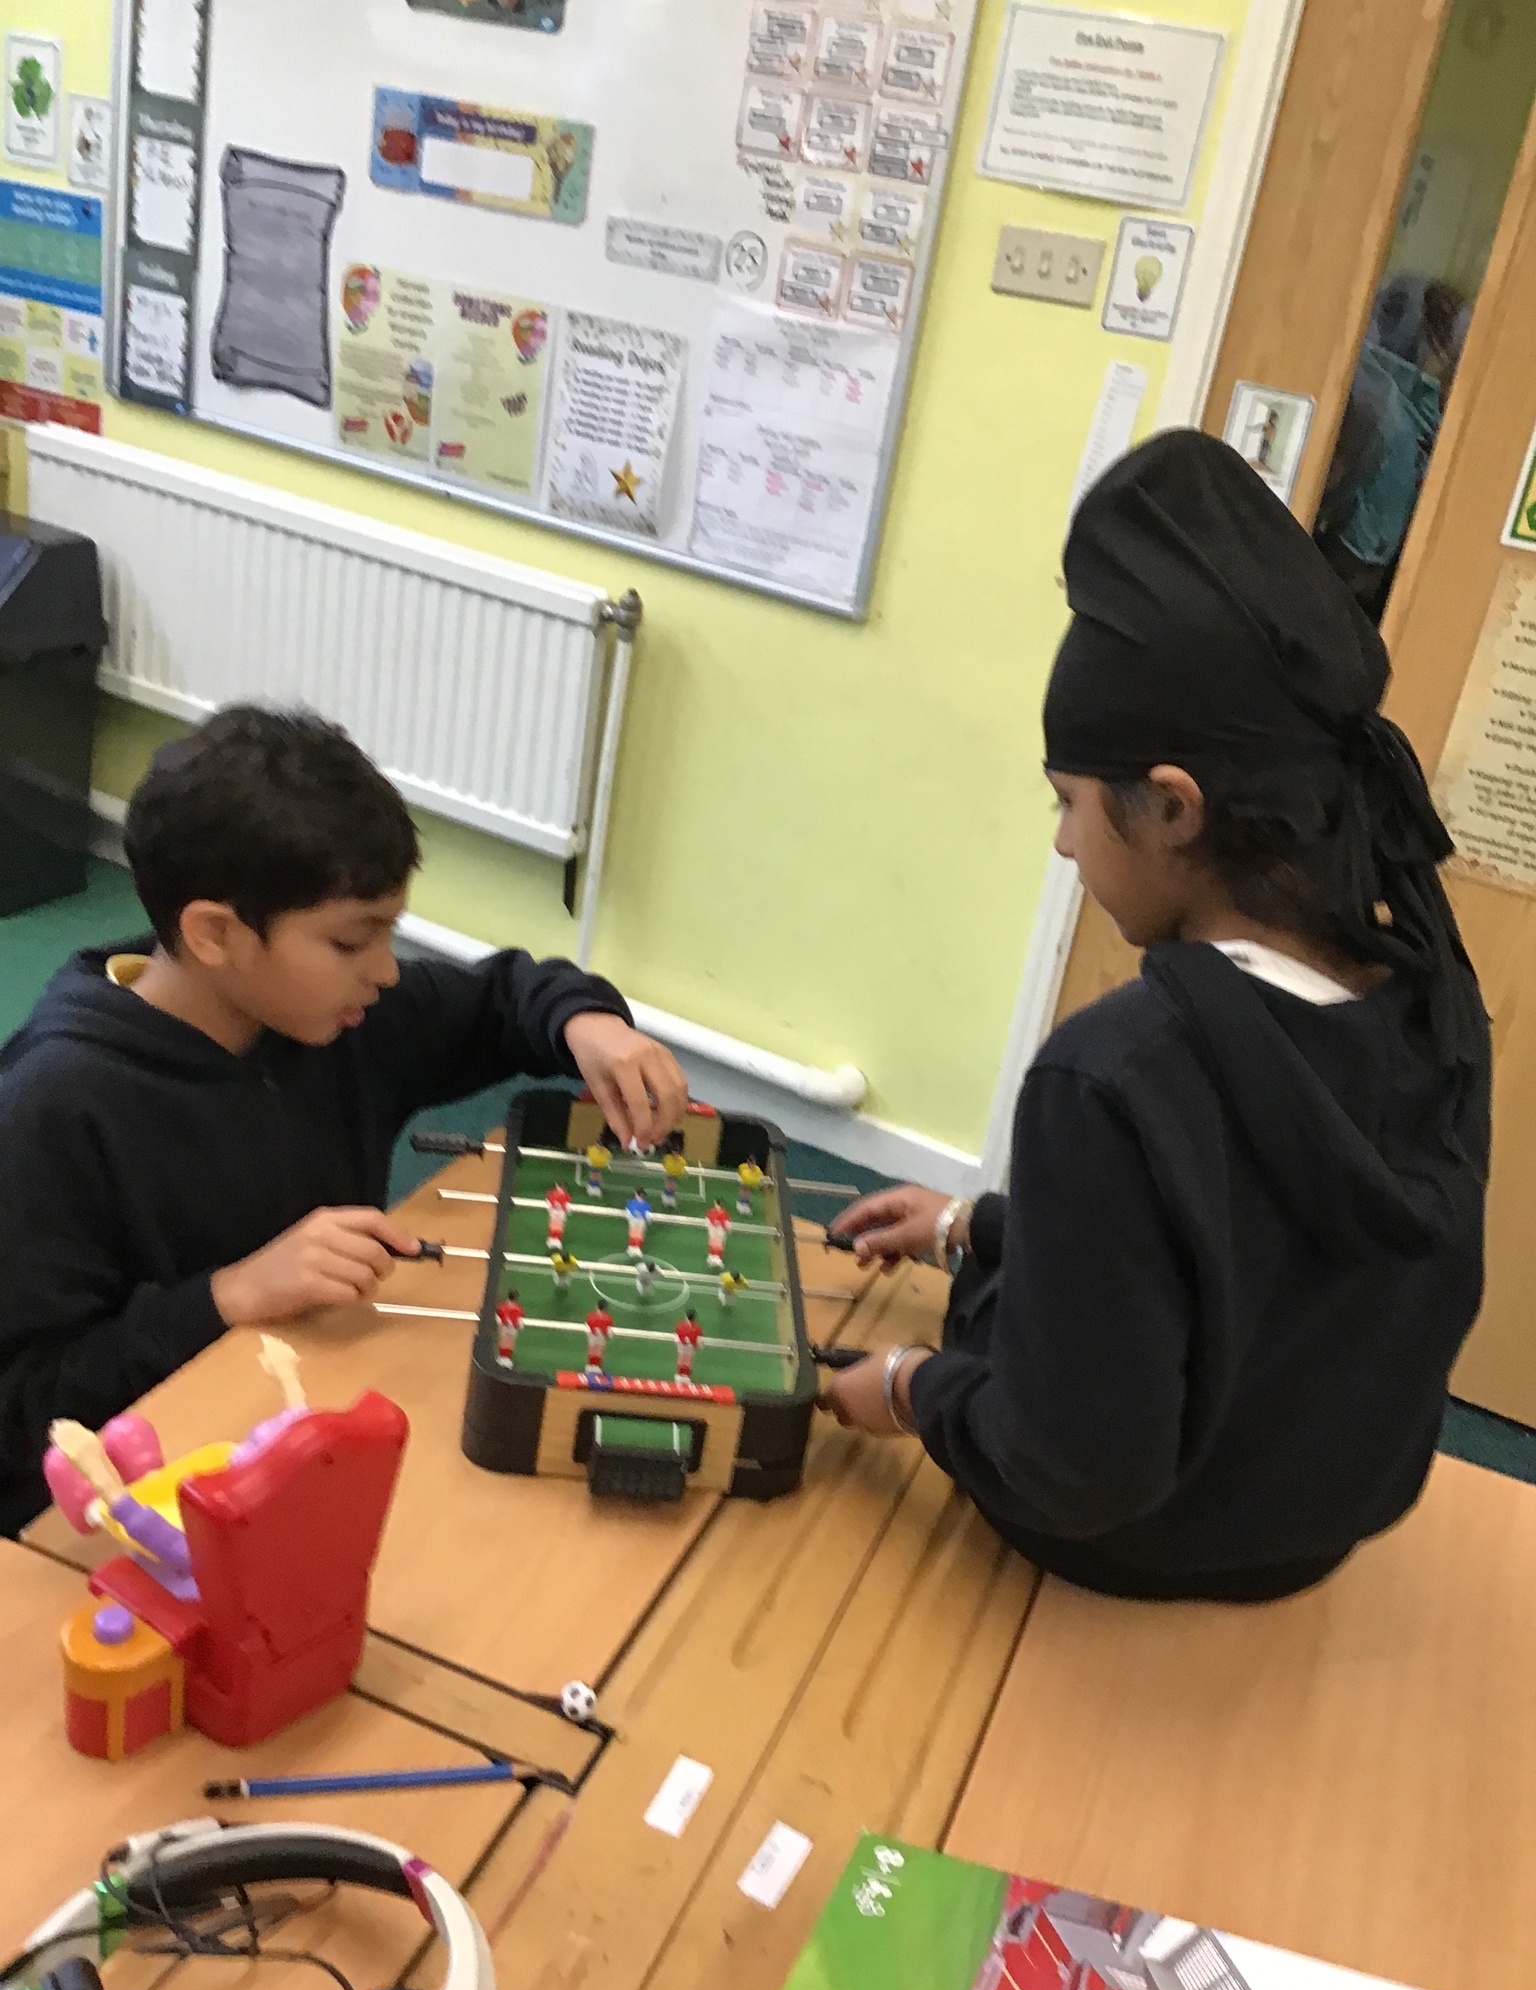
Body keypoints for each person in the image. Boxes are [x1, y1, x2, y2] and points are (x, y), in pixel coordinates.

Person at [823, 429, 1491, 1604]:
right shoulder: (1429, 999)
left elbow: (1073, 1468)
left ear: (1174, 808)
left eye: (1070, 803)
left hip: (1118, 1547)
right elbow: (1252, 1260)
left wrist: (909, 1386)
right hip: (1309, 1539)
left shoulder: (1108, 1077)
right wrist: (983, 1228)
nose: (1063, 842)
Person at [0, 705, 688, 1536]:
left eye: (388, 934)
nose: (386, 971)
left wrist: (590, 1025)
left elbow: (507, 997)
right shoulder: (51, 1109)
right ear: (215, 934)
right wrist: (228, 1296)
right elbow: (25, 1407)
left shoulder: (328, 1014)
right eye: (351, 942)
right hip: (141, 1510)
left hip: (317, 1420)